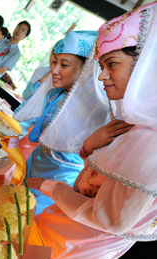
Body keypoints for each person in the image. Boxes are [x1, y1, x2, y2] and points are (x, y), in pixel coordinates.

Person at [27, 2, 157, 259]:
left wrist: (54, 188)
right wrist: (89, 147)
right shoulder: (134, 122)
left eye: (112, 64)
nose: (101, 77)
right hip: (63, 228)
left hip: (74, 248)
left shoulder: (150, 142)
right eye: (101, 66)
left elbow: (111, 218)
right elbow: (101, 178)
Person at [14, 30, 106, 214]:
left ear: (84, 68)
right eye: (54, 62)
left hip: (59, 176)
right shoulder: (55, 94)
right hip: (35, 161)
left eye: (64, 65)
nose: (54, 70)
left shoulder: (96, 111)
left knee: (24, 216)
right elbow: (30, 119)